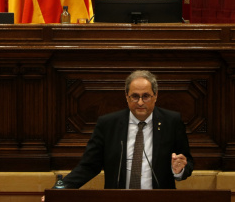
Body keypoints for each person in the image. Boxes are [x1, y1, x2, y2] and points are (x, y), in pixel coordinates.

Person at [60, 70, 193, 189]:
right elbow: (88, 166)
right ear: (126, 96)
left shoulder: (171, 122)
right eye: (135, 96)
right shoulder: (108, 124)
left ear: (155, 96)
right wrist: (59, 190)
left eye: (146, 96)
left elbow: (187, 162)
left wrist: (179, 170)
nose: (140, 102)